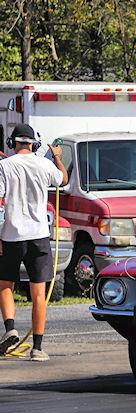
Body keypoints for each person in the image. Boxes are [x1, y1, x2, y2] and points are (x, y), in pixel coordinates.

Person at [0, 124, 68, 361]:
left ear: (12, 143)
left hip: (11, 236)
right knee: (38, 293)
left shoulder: (4, 166)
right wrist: (57, 157)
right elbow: (63, 179)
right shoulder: (45, 164)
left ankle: (10, 328)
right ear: (34, 144)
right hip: (39, 236)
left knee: (5, 285)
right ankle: (37, 348)